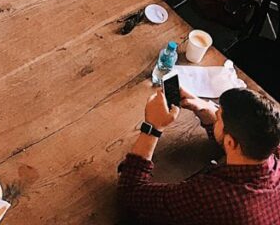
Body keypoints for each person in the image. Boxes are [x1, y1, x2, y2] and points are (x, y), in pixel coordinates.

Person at [118, 85, 280, 224]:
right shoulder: (271, 143)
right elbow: (241, 144)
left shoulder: (212, 197)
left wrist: (153, 127)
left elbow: (131, 192)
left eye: (218, 116)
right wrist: (203, 108)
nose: (215, 112)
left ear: (230, 142)